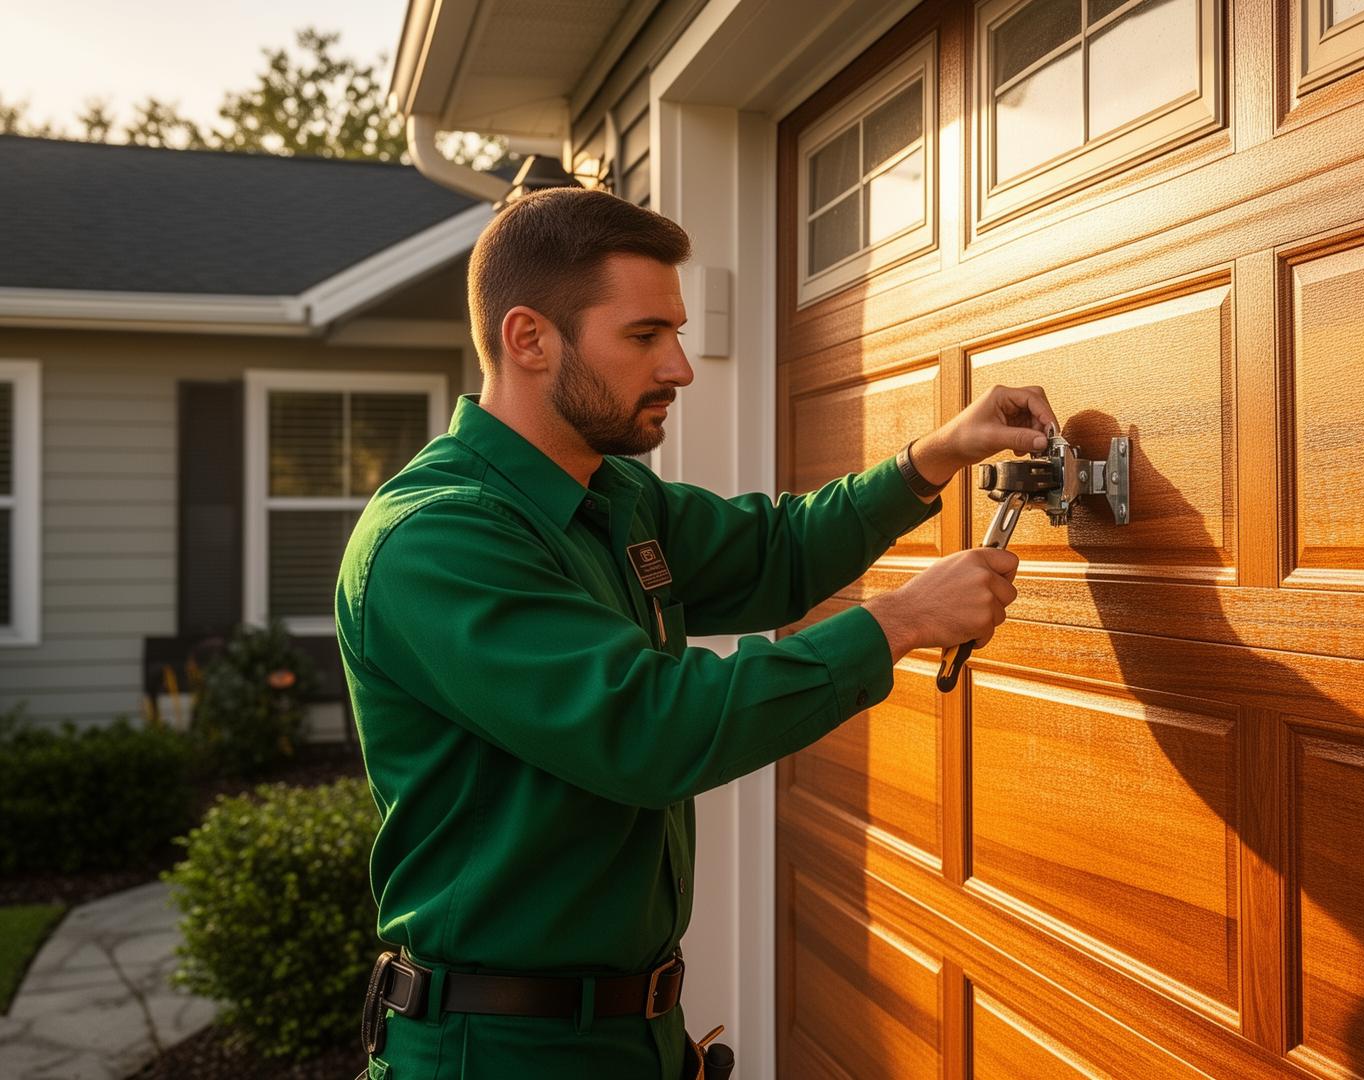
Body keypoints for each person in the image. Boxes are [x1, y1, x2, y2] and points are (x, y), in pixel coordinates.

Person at [335, 187, 1056, 1079]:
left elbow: (776, 553)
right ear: (529, 340)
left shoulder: (611, 497)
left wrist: (936, 455)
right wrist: (902, 620)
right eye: (645, 336)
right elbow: (647, 727)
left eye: (674, 331)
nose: (678, 366)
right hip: (497, 1050)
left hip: (634, 1034)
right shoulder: (438, 540)